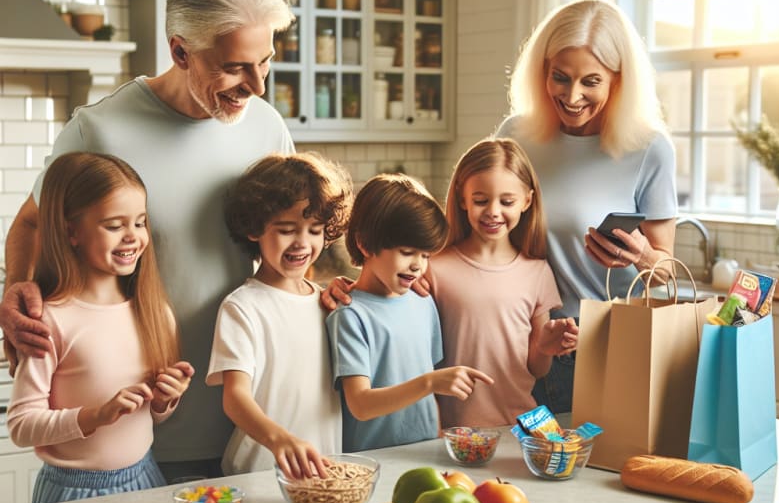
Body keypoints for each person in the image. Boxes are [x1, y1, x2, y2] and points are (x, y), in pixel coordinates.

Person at [0, 0, 297, 482]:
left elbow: (292, 234)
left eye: (265, 62)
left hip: (247, 407)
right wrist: (17, 290)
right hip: (134, 423)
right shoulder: (100, 130)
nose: (257, 86)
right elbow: (31, 223)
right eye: (234, 67)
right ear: (180, 50)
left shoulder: (267, 126)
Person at [496, 0, 677, 412]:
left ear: (618, 80)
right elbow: (475, 229)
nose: (572, 96)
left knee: (590, 472)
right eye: (560, 77)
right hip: (513, 334)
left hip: (600, 345)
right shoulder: (516, 136)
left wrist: (642, 255)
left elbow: (666, 270)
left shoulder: (649, 149)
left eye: (590, 82)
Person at [7, 153, 193, 503]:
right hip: (72, 492)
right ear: (71, 231)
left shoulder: (155, 313)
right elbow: (21, 424)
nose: (132, 237)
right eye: (114, 225)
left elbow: (151, 416)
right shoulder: (49, 320)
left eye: (140, 223)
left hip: (146, 478)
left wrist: (166, 399)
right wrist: (96, 416)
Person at [206, 152, 353, 479]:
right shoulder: (242, 307)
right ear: (254, 229)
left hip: (323, 471)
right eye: (287, 229)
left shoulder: (328, 301)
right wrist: (280, 440)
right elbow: (235, 397)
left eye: (315, 230)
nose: (302, 242)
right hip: (257, 471)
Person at [326, 174, 494, 452]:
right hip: (373, 461)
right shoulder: (350, 316)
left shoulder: (423, 301)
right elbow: (360, 404)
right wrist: (430, 382)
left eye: (426, 255)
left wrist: (439, 437)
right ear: (365, 244)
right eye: (407, 252)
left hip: (426, 453)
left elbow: (430, 396)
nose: (418, 266)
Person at [429, 138, 578, 428]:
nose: (493, 211)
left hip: (517, 429)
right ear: (462, 199)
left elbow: (536, 369)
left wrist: (545, 347)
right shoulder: (433, 268)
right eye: (481, 200)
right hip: (451, 432)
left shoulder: (537, 271)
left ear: (527, 200)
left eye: (506, 202)